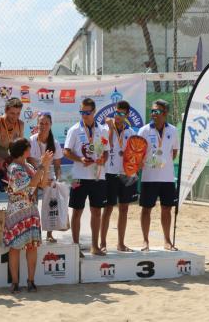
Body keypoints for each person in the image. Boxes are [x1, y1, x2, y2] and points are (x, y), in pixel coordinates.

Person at [3, 137, 53, 293]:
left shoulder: (29, 165)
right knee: (15, 247)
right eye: (29, 148)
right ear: (24, 150)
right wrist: (42, 165)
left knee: (32, 247)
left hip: (30, 210)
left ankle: (30, 281)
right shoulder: (14, 168)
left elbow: (42, 184)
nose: (30, 150)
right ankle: (15, 283)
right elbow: (30, 184)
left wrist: (46, 165)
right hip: (17, 213)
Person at [63, 98, 109, 257]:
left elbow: (107, 151)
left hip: (98, 175)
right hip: (78, 176)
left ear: (94, 112)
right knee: (77, 211)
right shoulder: (74, 130)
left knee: (97, 211)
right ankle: (76, 247)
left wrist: (104, 159)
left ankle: (94, 246)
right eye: (81, 112)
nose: (84, 115)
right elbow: (66, 152)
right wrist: (80, 159)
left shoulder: (103, 130)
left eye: (87, 112)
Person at [137, 99, 179, 251]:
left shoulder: (173, 130)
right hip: (149, 177)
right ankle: (145, 241)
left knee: (167, 209)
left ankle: (167, 241)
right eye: (152, 111)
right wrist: (144, 162)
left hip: (167, 177)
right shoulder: (143, 131)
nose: (153, 114)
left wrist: (163, 162)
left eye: (157, 111)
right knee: (146, 209)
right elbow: (138, 153)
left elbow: (173, 153)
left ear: (165, 113)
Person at [0, 97, 24, 246]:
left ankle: (14, 230)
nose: (15, 117)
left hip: (8, 163)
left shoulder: (20, 124)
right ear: (6, 110)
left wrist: (18, 164)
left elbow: (18, 149)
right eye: (12, 113)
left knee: (16, 196)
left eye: (18, 113)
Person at [100, 100, 138, 252]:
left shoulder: (131, 133)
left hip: (126, 174)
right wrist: (110, 128)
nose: (118, 116)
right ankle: (103, 243)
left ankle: (120, 243)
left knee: (124, 209)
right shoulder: (105, 129)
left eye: (122, 113)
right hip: (110, 173)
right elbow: (107, 147)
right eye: (117, 113)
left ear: (127, 115)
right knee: (108, 208)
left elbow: (134, 154)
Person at [27, 112, 63, 243]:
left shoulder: (55, 143)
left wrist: (56, 180)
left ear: (51, 125)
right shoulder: (31, 140)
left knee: (52, 196)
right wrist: (40, 179)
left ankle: (49, 233)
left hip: (49, 174)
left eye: (46, 123)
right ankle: (33, 231)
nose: (43, 126)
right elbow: (30, 164)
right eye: (41, 123)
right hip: (34, 173)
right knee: (32, 198)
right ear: (37, 124)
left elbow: (58, 167)